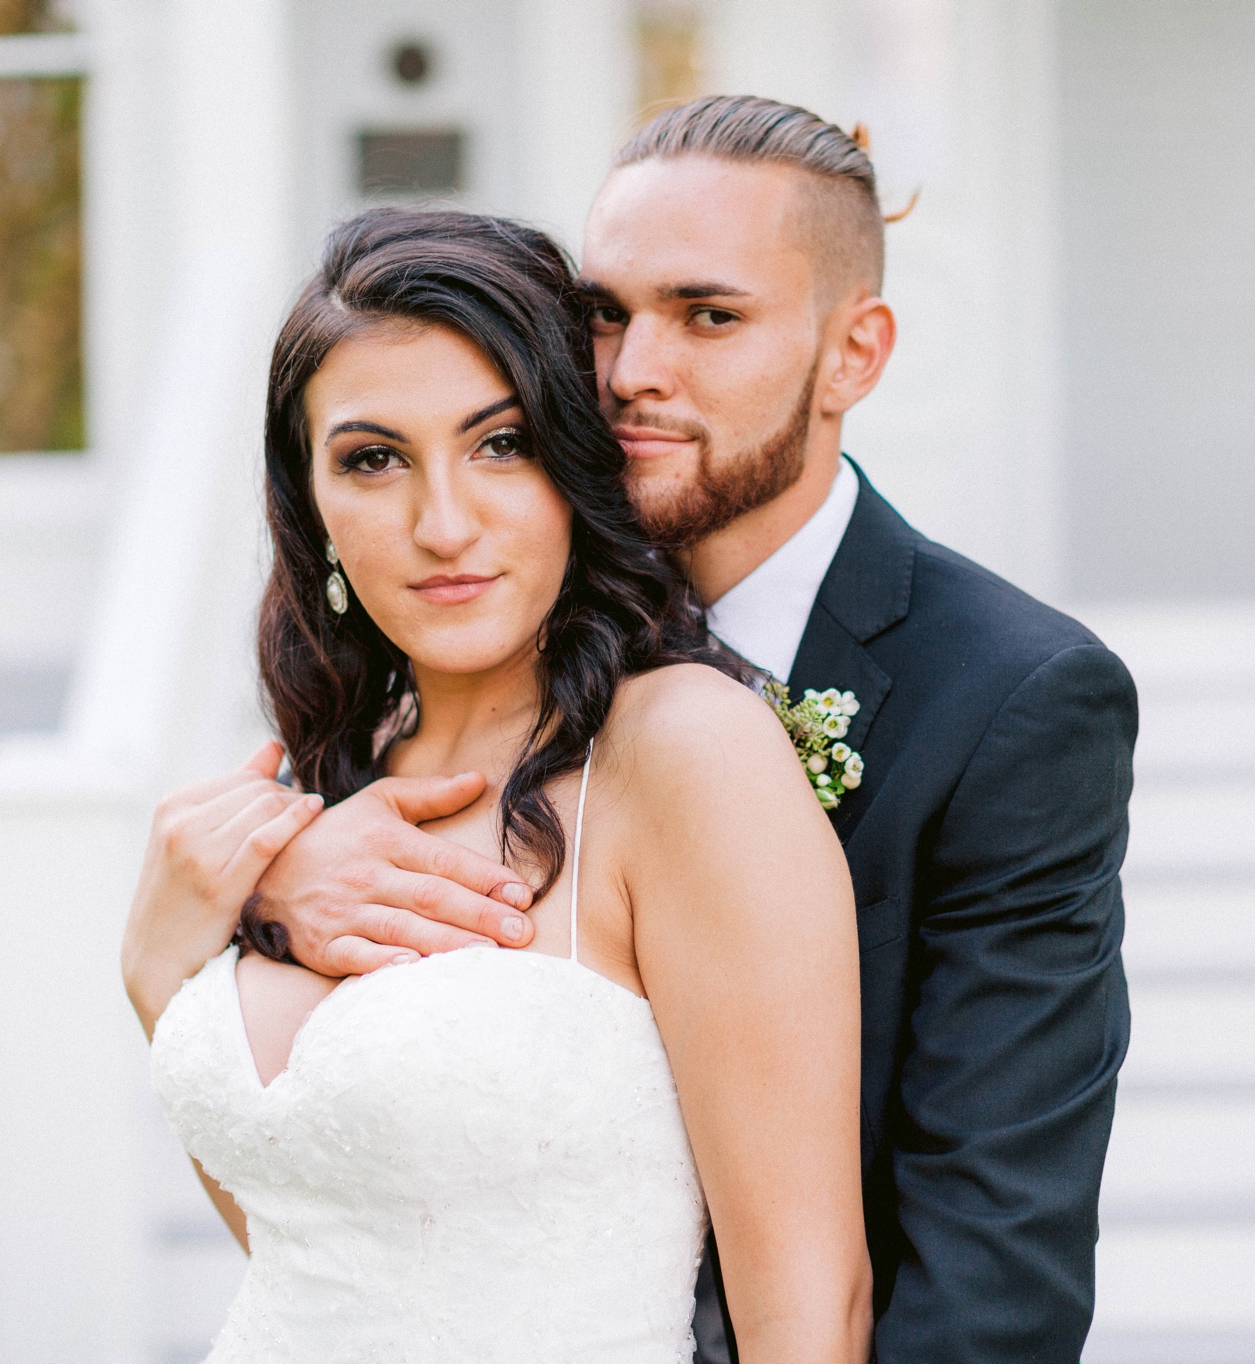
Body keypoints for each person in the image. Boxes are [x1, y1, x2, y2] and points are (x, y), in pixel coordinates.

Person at [149, 96, 1135, 1363]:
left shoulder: (1006, 696)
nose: (626, 372)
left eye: (707, 316)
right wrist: (255, 898)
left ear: (853, 354)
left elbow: (991, 1260)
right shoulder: (451, 659)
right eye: (603, 313)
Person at [120, 207, 872, 1363]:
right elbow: (319, 1244)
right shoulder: (334, 774)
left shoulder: (680, 748)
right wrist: (157, 962)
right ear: (310, 503)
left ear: (578, 464)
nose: (443, 523)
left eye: (500, 444)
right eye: (373, 459)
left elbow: (807, 1305)